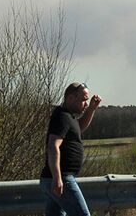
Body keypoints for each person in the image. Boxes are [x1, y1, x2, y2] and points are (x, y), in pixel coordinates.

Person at [39, 82, 102, 216]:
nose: (85, 104)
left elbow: (79, 127)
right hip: (61, 178)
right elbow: (53, 146)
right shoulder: (62, 117)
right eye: (84, 100)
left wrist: (91, 109)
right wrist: (57, 178)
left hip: (52, 178)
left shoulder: (68, 117)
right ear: (71, 98)